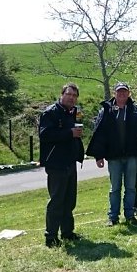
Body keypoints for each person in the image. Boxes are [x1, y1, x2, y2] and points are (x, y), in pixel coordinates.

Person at [86, 82, 137, 226]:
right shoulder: (106, 111)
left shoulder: (136, 111)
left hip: (132, 156)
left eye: (124, 92)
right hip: (113, 157)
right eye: (119, 92)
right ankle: (113, 217)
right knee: (115, 188)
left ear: (129, 93)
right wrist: (98, 156)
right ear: (114, 93)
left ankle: (130, 215)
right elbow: (99, 134)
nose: (122, 94)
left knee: (131, 187)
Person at [39, 83, 85, 247]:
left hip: (70, 162)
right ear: (62, 94)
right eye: (69, 94)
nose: (71, 98)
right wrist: (69, 133)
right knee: (57, 201)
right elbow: (44, 135)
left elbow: (76, 132)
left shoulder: (75, 112)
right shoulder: (51, 112)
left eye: (74, 96)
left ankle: (67, 232)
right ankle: (50, 236)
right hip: (56, 163)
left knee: (69, 200)